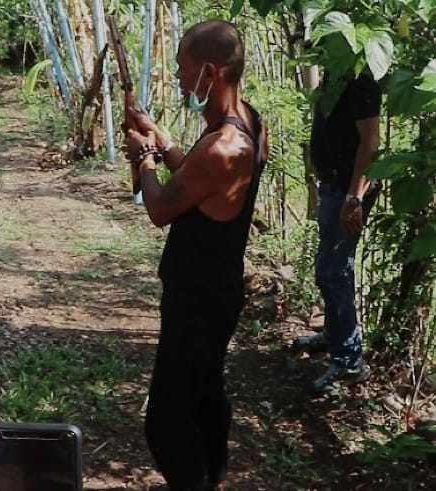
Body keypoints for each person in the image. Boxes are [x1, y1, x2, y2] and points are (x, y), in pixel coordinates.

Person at [124, 20, 267, 490]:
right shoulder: (248, 122)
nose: (181, 80)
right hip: (215, 289)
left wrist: (144, 156)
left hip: (200, 297)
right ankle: (211, 478)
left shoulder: (225, 146)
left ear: (210, 72)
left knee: (166, 418)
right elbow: (198, 181)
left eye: (184, 70)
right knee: (205, 393)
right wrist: (161, 141)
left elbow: (163, 208)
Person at [293, 70, 381, 395]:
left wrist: (354, 197)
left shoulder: (361, 78)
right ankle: (335, 336)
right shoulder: (335, 74)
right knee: (330, 269)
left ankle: (349, 362)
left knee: (334, 272)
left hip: (348, 193)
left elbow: (370, 141)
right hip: (334, 188)